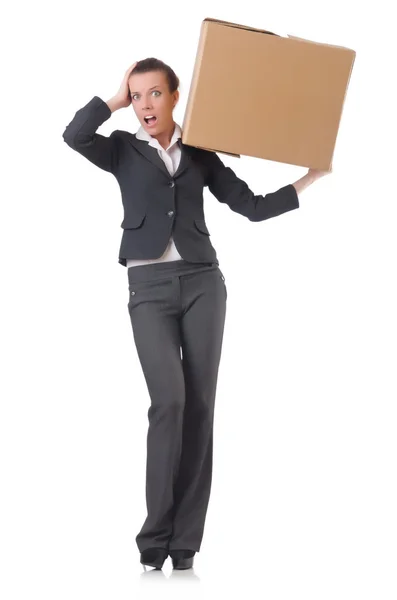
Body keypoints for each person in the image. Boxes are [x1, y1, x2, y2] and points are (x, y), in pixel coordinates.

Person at [62, 57, 331, 571]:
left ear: (175, 96)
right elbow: (75, 135)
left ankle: (185, 543)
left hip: (204, 285)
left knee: (200, 407)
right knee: (169, 402)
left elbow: (250, 207)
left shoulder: (201, 152)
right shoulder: (120, 150)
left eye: (154, 94)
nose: (145, 105)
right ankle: (153, 539)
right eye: (136, 96)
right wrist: (113, 99)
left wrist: (310, 179)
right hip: (148, 288)